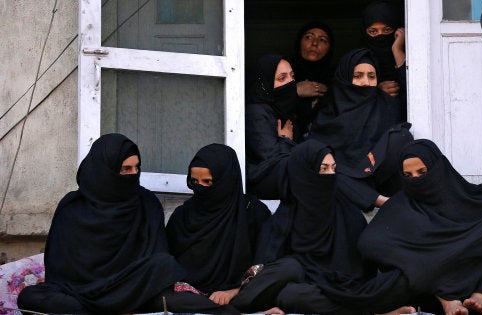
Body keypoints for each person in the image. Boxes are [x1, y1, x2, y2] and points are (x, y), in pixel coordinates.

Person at [17, 133, 239, 314]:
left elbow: (155, 258)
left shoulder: (146, 203)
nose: (134, 175)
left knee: (163, 265)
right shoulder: (72, 207)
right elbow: (59, 270)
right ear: (105, 171)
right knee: (30, 297)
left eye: (137, 168)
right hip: (82, 293)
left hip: (133, 292)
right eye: (126, 169)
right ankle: (107, 309)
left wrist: (130, 288)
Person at [357, 139, 482, 315]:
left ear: (438, 168)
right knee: (400, 274)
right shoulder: (401, 206)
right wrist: (433, 258)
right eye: (408, 176)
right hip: (428, 290)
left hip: (480, 281)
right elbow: (369, 243)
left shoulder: (473, 198)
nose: (417, 180)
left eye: (423, 172)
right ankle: (446, 298)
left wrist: (463, 247)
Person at [251, 140, 415, 315]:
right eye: (323, 169)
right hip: (312, 289)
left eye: (333, 168)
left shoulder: (346, 212)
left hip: (352, 288)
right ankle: (372, 312)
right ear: (304, 174)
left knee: (400, 282)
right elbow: (267, 271)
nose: (331, 175)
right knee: (291, 295)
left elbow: (363, 269)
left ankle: (367, 308)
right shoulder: (283, 219)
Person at [165, 144, 272, 309]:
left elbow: (266, 261)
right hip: (189, 297)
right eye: (194, 181)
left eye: (208, 182)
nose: (200, 188)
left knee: (287, 271)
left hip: (242, 295)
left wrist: (234, 291)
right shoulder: (183, 215)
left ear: (227, 180)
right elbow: (169, 265)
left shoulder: (252, 211)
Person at [309, 48, 413, 212]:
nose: (366, 82)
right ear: (344, 79)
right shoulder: (329, 112)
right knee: (322, 166)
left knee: (401, 136)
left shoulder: (387, 105)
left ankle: (364, 191)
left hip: (377, 179)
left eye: (371, 76)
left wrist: (397, 51)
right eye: (357, 76)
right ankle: (378, 200)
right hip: (343, 180)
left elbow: (418, 97)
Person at [245, 54, 300, 200]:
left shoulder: (281, 109)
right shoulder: (256, 112)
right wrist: (285, 139)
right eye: (282, 78)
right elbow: (271, 159)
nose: (290, 82)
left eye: (292, 76)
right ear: (265, 83)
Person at [361, 0, 407, 119]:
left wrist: (397, 49)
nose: (380, 36)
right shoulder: (358, 61)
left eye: (387, 30)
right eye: (373, 31)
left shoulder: (418, 57)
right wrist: (375, 91)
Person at [289, 21, 336, 138]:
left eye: (322, 40)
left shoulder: (337, 78)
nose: (314, 43)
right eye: (308, 37)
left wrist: (330, 93)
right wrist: (294, 90)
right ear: (299, 43)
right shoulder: (283, 73)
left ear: (329, 48)